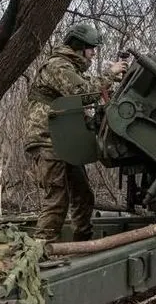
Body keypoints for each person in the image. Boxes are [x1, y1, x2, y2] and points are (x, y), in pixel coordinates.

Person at [24, 22, 127, 243]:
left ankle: (82, 245)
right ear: (80, 47)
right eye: (92, 49)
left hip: (63, 140)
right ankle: (39, 254)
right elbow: (82, 93)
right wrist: (109, 74)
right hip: (48, 140)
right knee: (56, 201)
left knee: (83, 195)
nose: (93, 54)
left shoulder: (68, 68)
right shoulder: (57, 66)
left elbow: (80, 94)